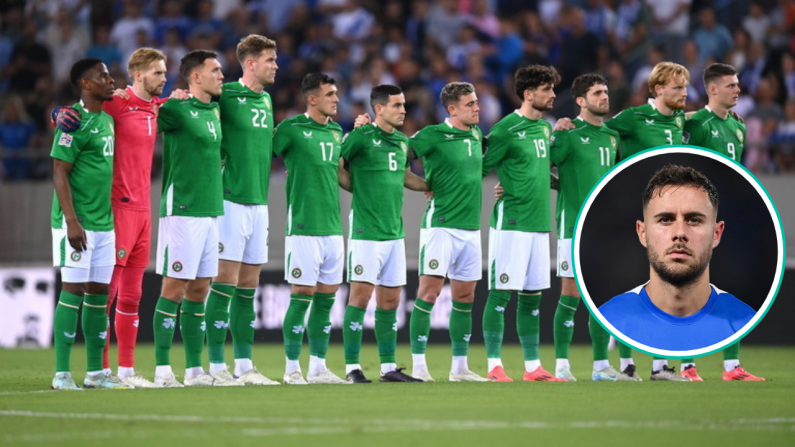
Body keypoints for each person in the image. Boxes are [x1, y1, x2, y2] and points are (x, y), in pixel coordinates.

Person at [52, 48, 189, 388]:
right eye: (158, 72)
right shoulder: (115, 103)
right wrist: (59, 113)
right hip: (115, 209)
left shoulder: (158, 107)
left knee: (131, 296)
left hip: (144, 209)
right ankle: (87, 369)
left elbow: (171, 104)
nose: (164, 78)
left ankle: (124, 371)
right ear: (139, 74)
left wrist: (182, 97)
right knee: (105, 293)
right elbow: (76, 112)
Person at [599, 164, 755, 351]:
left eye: (694, 220)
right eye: (665, 219)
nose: (680, 233)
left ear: (716, 234)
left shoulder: (746, 320)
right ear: (643, 233)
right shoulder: (608, 317)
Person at [548, 73, 638, 382]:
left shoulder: (612, 136)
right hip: (574, 226)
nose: (605, 97)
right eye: (598, 92)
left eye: (606, 91)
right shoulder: (568, 134)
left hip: (604, 230)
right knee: (570, 296)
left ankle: (601, 367)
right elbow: (539, 167)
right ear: (580, 101)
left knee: (602, 301)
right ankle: (561, 366)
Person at [152, 50, 234, 387]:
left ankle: (194, 370)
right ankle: (161, 370)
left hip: (211, 210)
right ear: (195, 76)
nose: (221, 75)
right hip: (182, 210)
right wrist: (165, 99)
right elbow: (141, 115)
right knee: (174, 288)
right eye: (215, 70)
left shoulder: (214, 110)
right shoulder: (175, 109)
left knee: (200, 289)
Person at [203, 35, 281, 386]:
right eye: (269, 59)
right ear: (250, 63)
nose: (275, 65)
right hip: (230, 200)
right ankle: (217, 365)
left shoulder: (266, 99)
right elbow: (191, 107)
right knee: (224, 282)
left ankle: (245, 366)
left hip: (259, 204)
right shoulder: (226, 95)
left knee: (249, 286)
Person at [480, 65, 566, 383]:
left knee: (532, 298)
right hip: (512, 223)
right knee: (501, 294)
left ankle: (532, 367)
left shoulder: (544, 129)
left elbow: (542, 171)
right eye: (547, 89)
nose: (554, 94)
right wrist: (496, 184)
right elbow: (479, 166)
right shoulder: (504, 129)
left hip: (539, 224)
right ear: (529, 94)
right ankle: (494, 365)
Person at [681, 63, 765, 381]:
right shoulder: (697, 124)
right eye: (731, 85)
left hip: (728, 216)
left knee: (731, 286)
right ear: (712, 89)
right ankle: (687, 364)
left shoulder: (738, 127)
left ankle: (732, 367)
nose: (738, 89)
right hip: (698, 217)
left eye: (737, 84)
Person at [50, 58, 129, 390]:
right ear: (85, 84)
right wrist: (71, 221)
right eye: (103, 76)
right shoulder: (73, 122)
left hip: (104, 224)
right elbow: (59, 172)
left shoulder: (107, 120)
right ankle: (62, 374)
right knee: (72, 291)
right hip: (77, 223)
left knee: (99, 295)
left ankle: (96, 373)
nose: (111, 80)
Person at [340, 85, 427, 384]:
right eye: (397, 105)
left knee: (390, 302)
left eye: (404, 105)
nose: (404, 110)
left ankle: (388, 368)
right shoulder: (361, 137)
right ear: (379, 109)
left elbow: (405, 177)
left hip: (394, 233)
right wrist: (356, 187)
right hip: (366, 231)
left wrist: (434, 186)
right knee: (359, 300)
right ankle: (352, 368)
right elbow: (336, 164)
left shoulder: (402, 142)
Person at [272, 73, 349, 385]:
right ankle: (292, 368)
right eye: (330, 94)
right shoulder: (290, 129)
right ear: (312, 98)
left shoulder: (335, 131)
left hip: (333, 227)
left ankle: (318, 367)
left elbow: (340, 175)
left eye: (336, 93)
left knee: (327, 300)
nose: (336, 99)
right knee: (301, 294)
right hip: (304, 226)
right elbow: (261, 156)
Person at [408, 82, 487, 382]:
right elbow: (398, 157)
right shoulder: (432, 135)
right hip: (440, 226)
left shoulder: (478, 134)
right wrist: (420, 184)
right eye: (470, 104)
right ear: (452, 109)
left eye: (477, 102)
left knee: (465, 297)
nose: (477, 107)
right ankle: (418, 366)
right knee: (429, 292)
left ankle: (460, 368)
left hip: (470, 228)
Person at [606, 62, 689, 161]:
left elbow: (694, 116)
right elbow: (597, 133)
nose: (685, 93)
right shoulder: (634, 116)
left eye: (685, 87)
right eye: (678, 88)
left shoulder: (680, 117)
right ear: (659, 89)